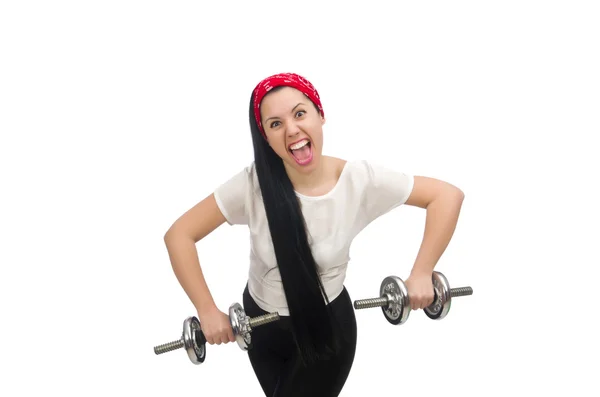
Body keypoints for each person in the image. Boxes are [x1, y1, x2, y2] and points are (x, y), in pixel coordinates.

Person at [163, 72, 465, 396]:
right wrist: (207, 311)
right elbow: (180, 234)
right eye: (275, 124)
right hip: (259, 327)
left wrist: (421, 273)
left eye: (300, 113)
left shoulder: (359, 180)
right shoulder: (253, 185)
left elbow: (446, 196)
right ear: (264, 136)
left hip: (325, 329)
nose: (292, 129)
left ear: (320, 115)